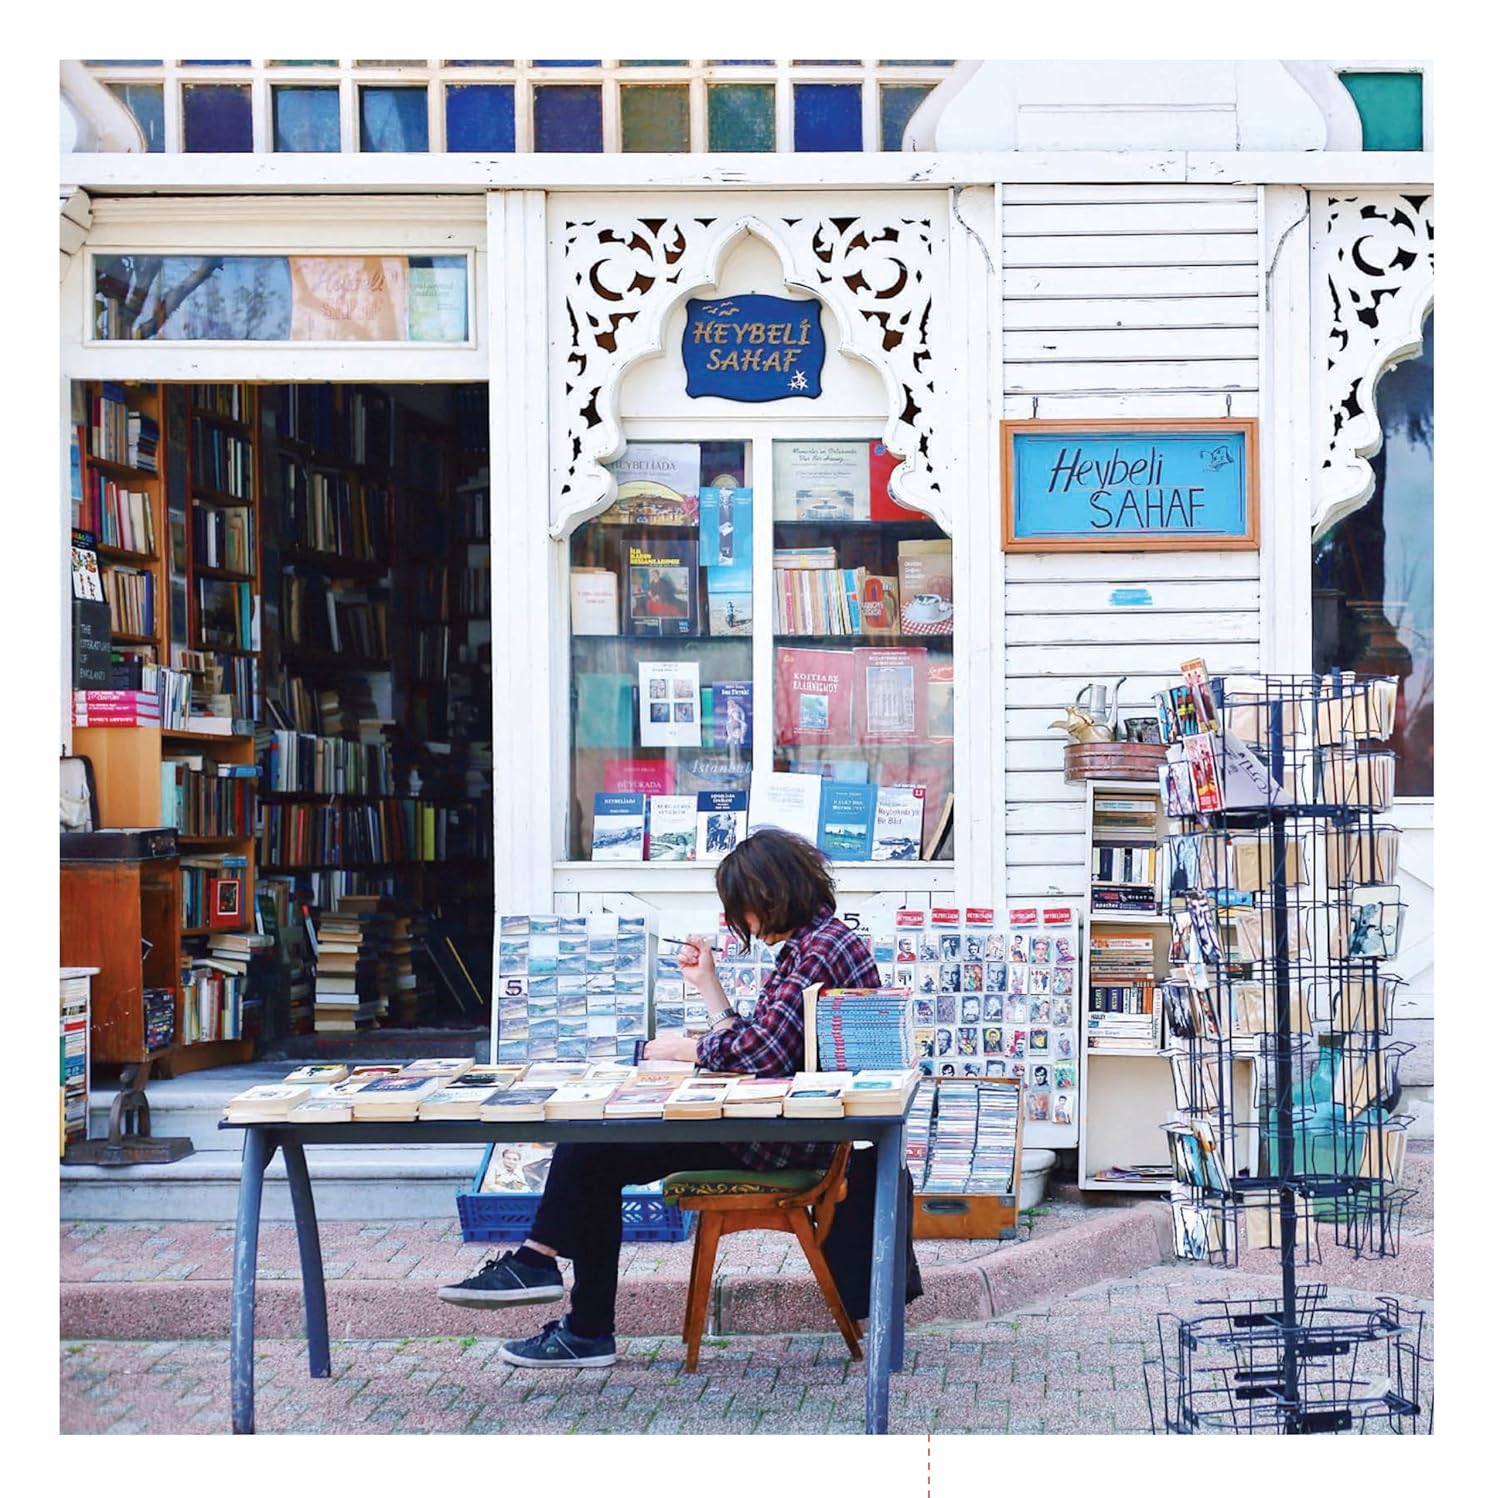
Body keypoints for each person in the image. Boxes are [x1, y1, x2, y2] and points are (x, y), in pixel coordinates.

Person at [439, 828, 878, 1369]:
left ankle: (562, 1297)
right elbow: (763, 1046)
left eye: (741, 909)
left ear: (769, 895)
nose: (742, 923)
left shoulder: (819, 950)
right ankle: (561, 1295)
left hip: (782, 1136)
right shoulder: (818, 943)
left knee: (594, 1148)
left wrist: (683, 1050)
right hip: (774, 1121)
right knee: (595, 1149)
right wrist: (707, 986)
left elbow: (762, 1053)